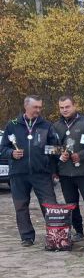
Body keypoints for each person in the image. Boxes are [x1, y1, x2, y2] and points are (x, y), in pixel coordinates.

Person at [0, 95, 58, 245]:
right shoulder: (12, 125)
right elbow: (3, 148)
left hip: (41, 172)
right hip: (18, 173)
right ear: (26, 107)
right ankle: (26, 237)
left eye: (40, 107)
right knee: (21, 206)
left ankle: (55, 234)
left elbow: (55, 148)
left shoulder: (46, 125)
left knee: (49, 205)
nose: (38, 110)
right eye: (35, 107)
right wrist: (11, 153)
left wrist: (56, 161)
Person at [52, 95, 84, 242]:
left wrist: (81, 155)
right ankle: (79, 231)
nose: (64, 110)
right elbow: (49, 148)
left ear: (74, 106)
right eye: (62, 107)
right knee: (71, 203)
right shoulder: (55, 126)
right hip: (65, 172)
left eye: (67, 107)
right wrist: (59, 154)